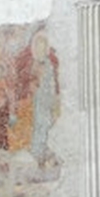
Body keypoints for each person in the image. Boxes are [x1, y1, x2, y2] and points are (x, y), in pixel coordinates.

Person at [27, 28, 60, 169]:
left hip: (46, 98)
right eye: (38, 45)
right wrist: (33, 85)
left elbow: (51, 83)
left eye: (43, 45)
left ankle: (44, 155)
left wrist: (53, 100)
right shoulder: (34, 64)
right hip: (37, 100)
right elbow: (31, 81)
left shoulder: (48, 64)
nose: (40, 48)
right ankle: (38, 156)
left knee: (45, 125)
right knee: (39, 126)